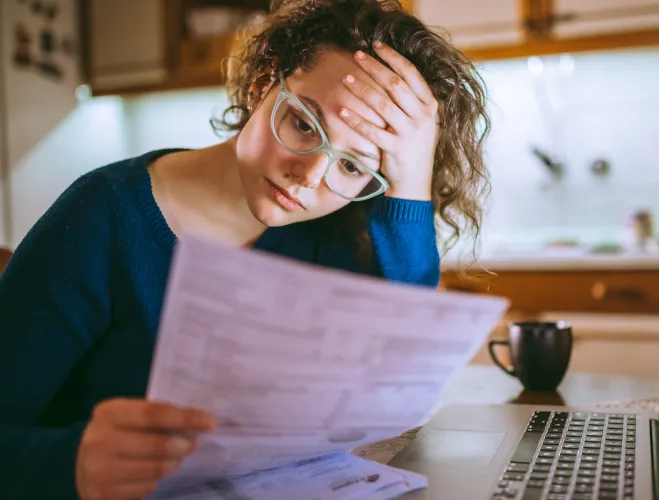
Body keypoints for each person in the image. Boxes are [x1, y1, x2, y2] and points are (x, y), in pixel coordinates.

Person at [0, 0, 491, 498]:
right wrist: (72, 462)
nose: (307, 177)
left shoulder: (337, 234)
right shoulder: (101, 217)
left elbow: (400, 369)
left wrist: (409, 183)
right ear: (262, 86)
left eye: (351, 166)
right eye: (303, 123)